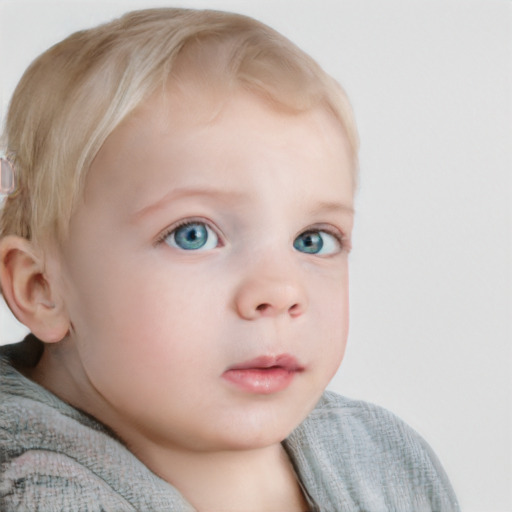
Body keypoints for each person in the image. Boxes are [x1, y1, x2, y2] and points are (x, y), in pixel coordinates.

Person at [0, 7, 459, 511]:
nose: (280, 292)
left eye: (313, 240)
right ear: (41, 287)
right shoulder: (37, 494)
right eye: (193, 235)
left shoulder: (385, 462)